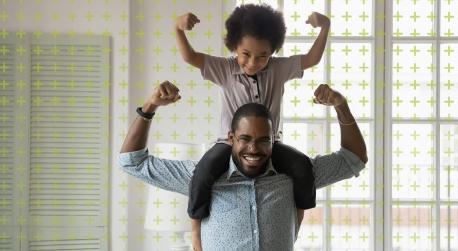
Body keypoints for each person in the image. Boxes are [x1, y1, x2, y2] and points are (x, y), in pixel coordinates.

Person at [119, 81, 368, 251]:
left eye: (263, 141)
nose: (253, 149)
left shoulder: (294, 175)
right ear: (231, 139)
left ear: (273, 141)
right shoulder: (201, 177)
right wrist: (150, 107)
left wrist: (341, 105)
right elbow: (133, 162)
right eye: (245, 139)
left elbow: (354, 159)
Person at [174, 3, 331, 242]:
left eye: (262, 56)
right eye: (245, 54)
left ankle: (296, 222)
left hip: (270, 144)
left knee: (302, 167)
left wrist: (325, 27)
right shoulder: (224, 69)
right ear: (234, 46)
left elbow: (311, 58)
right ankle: (195, 229)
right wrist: (178, 29)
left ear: (273, 52)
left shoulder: (279, 69)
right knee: (203, 172)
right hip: (229, 144)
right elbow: (190, 57)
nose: (252, 63)